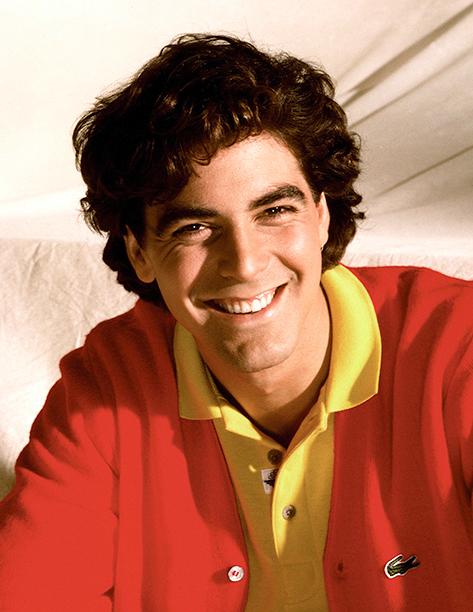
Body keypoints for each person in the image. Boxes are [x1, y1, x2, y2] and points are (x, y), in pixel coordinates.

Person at [0, 33, 472, 612]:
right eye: (194, 228)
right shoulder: (107, 388)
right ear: (140, 251)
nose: (244, 263)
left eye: (274, 210)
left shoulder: (458, 346)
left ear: (321, 216)